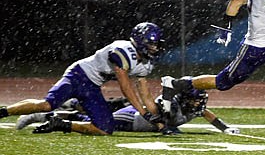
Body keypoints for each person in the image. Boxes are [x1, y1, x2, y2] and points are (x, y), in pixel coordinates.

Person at [0, 22, 164, 135]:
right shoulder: (122, 50)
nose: (155, 48)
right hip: (78, 75)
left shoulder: (145, 63)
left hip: (92, 86)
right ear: (141, 41)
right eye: (152, 44)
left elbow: (145, 93)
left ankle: (61, 124)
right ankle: (4, 112)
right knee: (47, 104)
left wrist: (156, 118)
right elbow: (126, 87)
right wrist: (142, 112)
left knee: (105, 128)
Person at [21, 89, 240, 135]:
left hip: (140, 125)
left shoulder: (195, 108)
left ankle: (56, 116)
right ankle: (44, 116)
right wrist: (165, 128)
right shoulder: (170, 104)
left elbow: (209, 115)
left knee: (92, 120)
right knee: (93, 121)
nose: (198, 105)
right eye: (195, 100)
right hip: (134, 119)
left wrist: (225, 128)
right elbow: (156, 116)